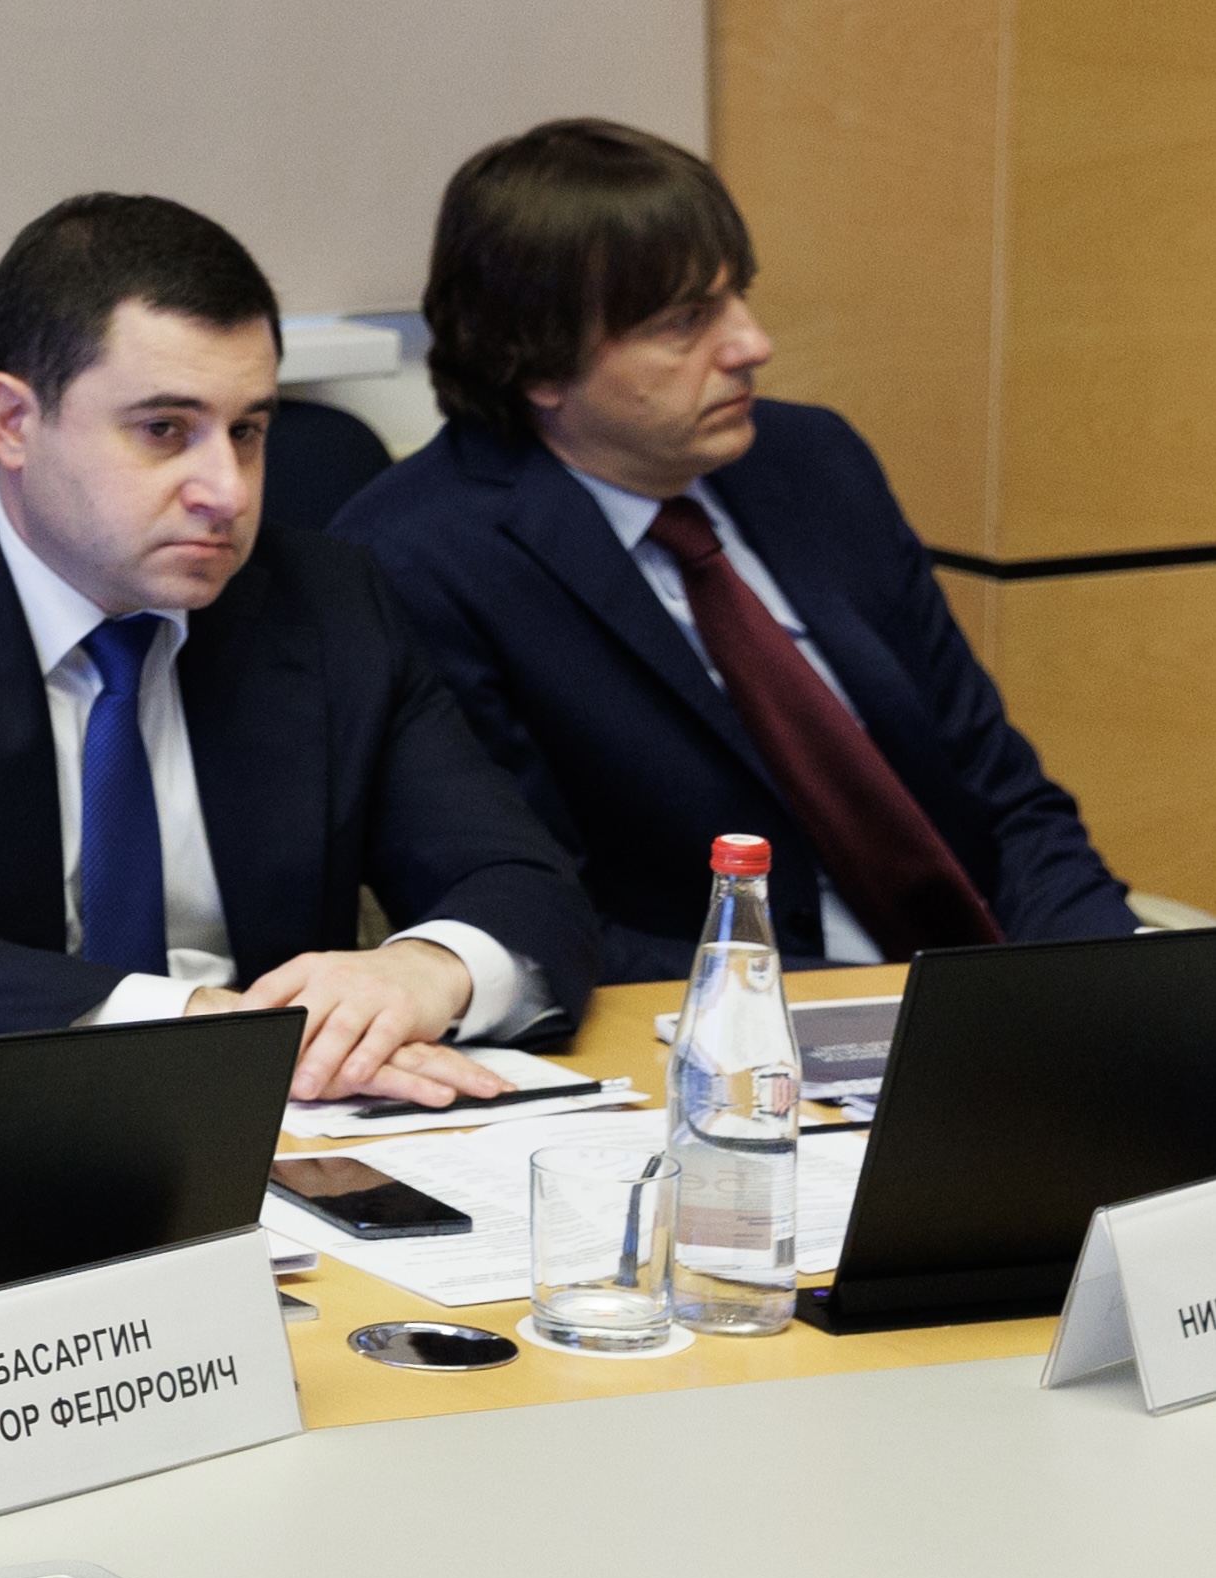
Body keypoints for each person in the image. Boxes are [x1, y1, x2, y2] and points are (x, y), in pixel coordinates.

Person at [0, 192, 601, 1092]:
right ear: (13, 421)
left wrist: (425, 972)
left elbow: (524, 882)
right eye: (163, 430)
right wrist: (194, 1023)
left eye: (246, 431)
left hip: (279, 1129)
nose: (226, 490)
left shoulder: (328, 604)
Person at [337, 119, 1136, 980]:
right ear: (535, 362)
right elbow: (537, 921)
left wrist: (1106, 975)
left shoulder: (813, 462)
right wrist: (888, 1009)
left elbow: (1004, 797)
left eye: (737, 297)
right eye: (685, 322)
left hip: (982, 992)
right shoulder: (418, 562)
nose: (752, 346)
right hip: (722, 1023)